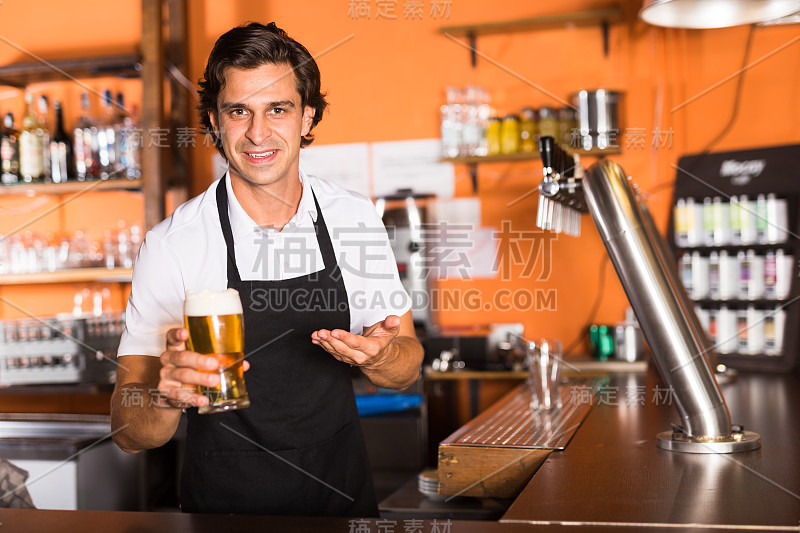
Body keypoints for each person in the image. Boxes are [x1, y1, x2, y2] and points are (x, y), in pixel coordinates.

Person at [110, 21, 423, 517]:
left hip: (340, 499)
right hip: (222, 509)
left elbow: (406, 365)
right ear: (215, 120)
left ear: (307, 117)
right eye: (239, 111)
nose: (258, 133)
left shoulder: (353, 216)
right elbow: (128, 433)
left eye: (278, 109)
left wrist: (381, 360)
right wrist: (166, 398)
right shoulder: (172, 244)